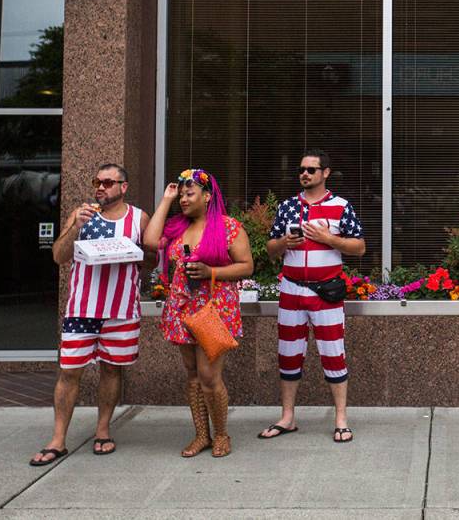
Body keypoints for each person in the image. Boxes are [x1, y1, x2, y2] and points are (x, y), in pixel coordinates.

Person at [30, 164, 149, 466]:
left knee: (112, 370)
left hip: (121, 309)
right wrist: (74, 227)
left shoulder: (138, 218)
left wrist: (141, 251)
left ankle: (103, 430)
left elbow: (151, 259)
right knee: (69, 371)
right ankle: (58, 440)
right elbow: (59, 256)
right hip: (82, 308)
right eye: (97, 181)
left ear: (124, 187)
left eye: (109, 182)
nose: (101, 187)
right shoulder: (82, 214)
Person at [143, 168, 253, 457]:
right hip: (182, 308)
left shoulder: (229, 227)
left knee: (208, 376)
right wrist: (165, 199)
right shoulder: (177, 228)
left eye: (189, 193)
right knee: (192, 374)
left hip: (214, 309)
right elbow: (151, 242)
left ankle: (221, 435)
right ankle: (201, 435)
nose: (183, 198)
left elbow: (246, 266)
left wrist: (210, 271)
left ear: (207, 196)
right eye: (180, 193)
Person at [258, 150, 366, 443]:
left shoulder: (341, 206)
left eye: (311, 169)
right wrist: (283, 242)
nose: (304, 174)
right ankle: (287, 417)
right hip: (291, 289)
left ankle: (341, 418)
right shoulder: (288, 206)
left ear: (325, 173)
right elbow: (269, 249)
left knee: (333, 354)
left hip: (325, 291)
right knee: (288, 355)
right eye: (302, 169)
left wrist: (329, 239)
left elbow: (359, 247)